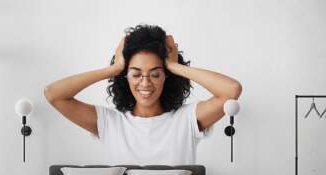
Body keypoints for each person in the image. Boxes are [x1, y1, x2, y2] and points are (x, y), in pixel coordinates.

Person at [44, 24, 242, 165]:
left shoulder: (186, 119)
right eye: (136, 74)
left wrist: (174, 66)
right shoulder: (109, 122)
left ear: (167, 77)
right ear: (125, 77)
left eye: (155, 74)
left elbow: (231, 91)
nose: (145, 83)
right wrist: (114, 69)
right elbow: (53, 94)